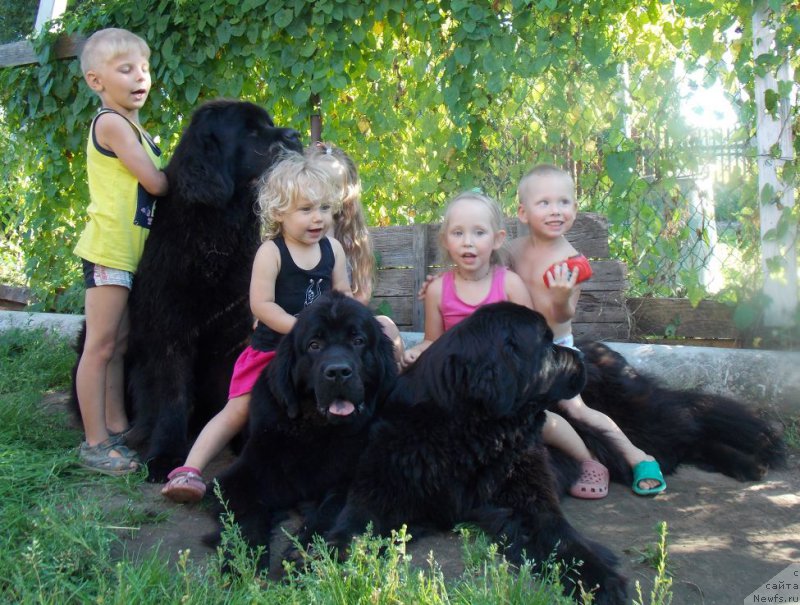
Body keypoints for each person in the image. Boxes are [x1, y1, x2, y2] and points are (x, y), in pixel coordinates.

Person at [161, 149, 353, 502]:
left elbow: (342, 297)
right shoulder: (272, 253)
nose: (318, 219)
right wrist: (299, 329)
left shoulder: (333, 250)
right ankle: (190, 470)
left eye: (324, 209)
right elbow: (261, 305)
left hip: (317, 355)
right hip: (272, 350)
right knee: (237, 409)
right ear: (279, 212)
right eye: (306, 210)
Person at [402, 191, 611, 499]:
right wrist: (417, 351)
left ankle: (589, 461)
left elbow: (532, 337)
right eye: (458, 233)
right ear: (446, 240)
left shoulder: (508, 283)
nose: (468, 242)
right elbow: (433, 340)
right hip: (463, 387)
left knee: (544, 422)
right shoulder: (438, 289)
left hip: (505, 383)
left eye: (479, 233)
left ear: (498, 239)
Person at [508, 164, 666, 496]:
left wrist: (561, 298)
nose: (556, 211)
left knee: (574, 407)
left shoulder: (570, 261)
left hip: (556, 348)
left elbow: (562, 318)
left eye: (564, 202)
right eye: (545, 203)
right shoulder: (513, 250)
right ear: (523, 212)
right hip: (520, 347)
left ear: (575, 209)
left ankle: (638, 456)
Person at [73, 28, 169, 475]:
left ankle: (116, 425)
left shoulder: (135, 127)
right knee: (101, 345)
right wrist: (181, 177)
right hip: (109, 252)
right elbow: (155, 182)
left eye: (145, 68)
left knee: (120, 343)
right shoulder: (111, 123)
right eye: (126, 68)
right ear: (97, 81)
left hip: (129, 254)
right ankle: (94, 443)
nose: (141, 77)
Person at [309, 142, 405, 364]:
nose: (325, 192)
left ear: (346, 193)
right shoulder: (294, 238)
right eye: (319, 182)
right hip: (305, 326)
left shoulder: (353, 241)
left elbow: (361, 296)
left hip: (345, 325)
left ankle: (393, 392)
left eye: (333, 185)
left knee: (388, 328)